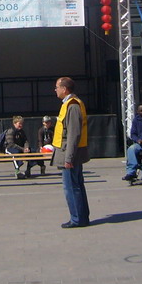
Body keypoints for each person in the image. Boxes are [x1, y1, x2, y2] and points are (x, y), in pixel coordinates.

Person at [52, 77, 90, 228]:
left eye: (57, 87)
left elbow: (74, 134)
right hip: (71, 153)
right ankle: (81, 217)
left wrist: (69, 158)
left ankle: (77, 218)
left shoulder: (72, 106)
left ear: (64, 89)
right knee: (76, 185)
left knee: (72, 188)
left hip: (70, 154)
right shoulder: (70, 104)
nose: (55, 90)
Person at [4, 115, 39, 179]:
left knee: (33, 151)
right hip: (10, 148)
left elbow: (25, 141)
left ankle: (28, 170)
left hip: (20, 148)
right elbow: (11, 144)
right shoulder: (10, 131)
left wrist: (26, 147)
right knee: (15, 153)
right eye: (19, 123)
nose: (21, 125)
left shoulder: (21, 131)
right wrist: (23, 149)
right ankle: (17, 171)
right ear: (14, 123)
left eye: (22, 123)